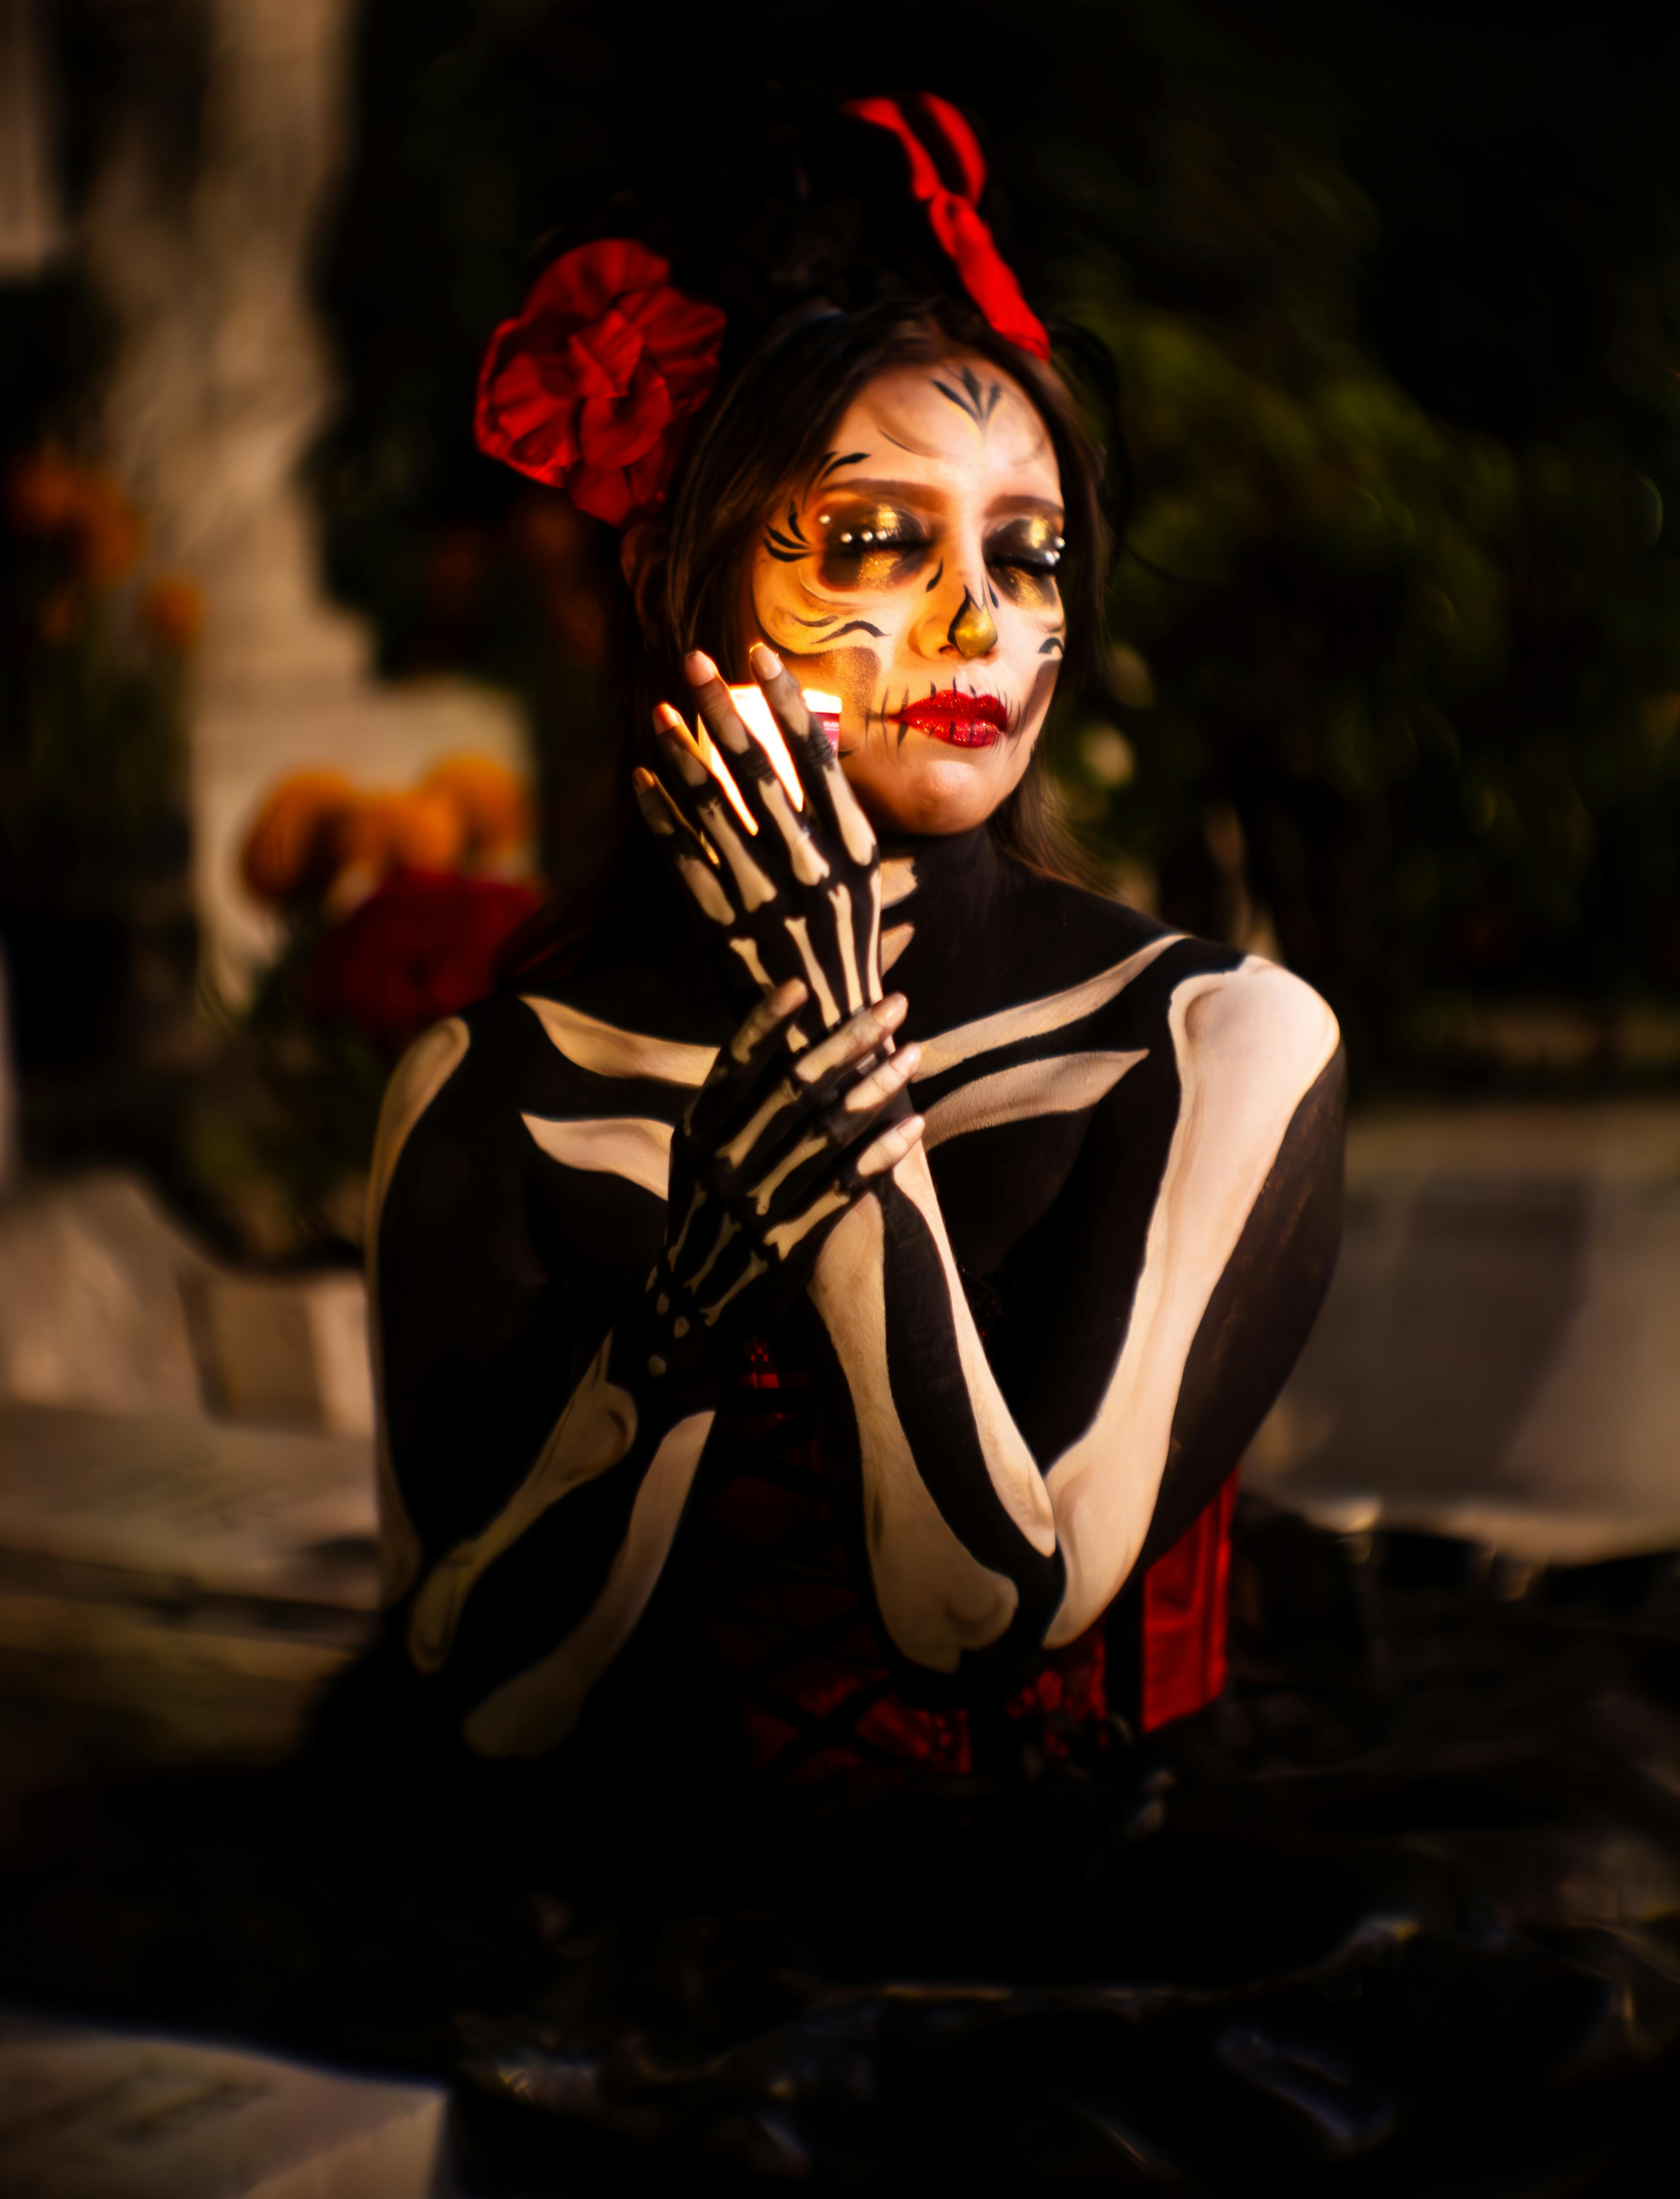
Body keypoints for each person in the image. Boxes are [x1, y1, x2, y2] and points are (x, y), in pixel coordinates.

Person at [357, 92, 1345, 1798]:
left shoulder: (1215, 1045)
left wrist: (832, 1060)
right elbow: (477, 1700)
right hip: (597, 1920)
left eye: (1025, 556)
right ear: (682, 579)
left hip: (1057, 1963)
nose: (978, 619)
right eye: (879, 539)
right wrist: (671, 1332)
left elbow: (985, 1607)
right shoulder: (491, 1085)